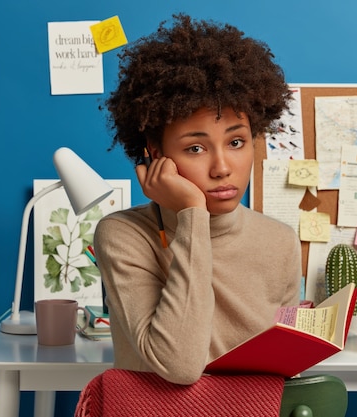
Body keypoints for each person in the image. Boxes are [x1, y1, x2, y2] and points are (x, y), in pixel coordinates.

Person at [94, 13, 302, 385]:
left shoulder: (280, 241)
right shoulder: (123, 235)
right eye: (195, 148)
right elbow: (179, 365)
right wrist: (192, 213)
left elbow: (285, 368)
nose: (222, 167)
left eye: (236, 142)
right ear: (155, 153)